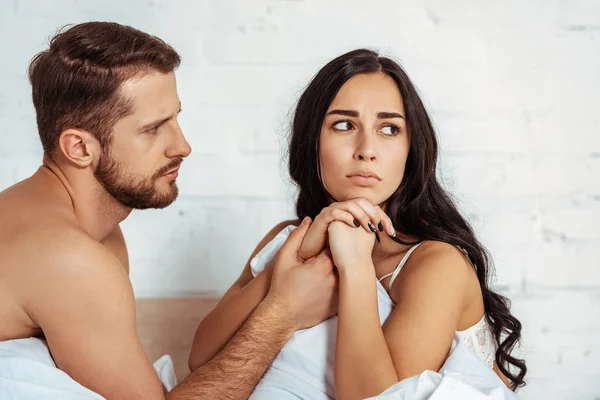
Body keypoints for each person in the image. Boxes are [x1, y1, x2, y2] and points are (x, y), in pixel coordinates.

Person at [0, 21, 337, 400]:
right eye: (152, 129)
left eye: (176, 118)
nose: (183, 145)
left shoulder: (87, 229)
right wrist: (283, 314)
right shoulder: (69, 258)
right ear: (79, 148)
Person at [189, 49, 527, 400]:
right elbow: (201, 360)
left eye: (389, 129)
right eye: (344, 125)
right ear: (312, 142)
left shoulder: (436, 265)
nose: (367, 149)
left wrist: (355, 265)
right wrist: (291, 267)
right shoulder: (288, 237)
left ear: (412, 150)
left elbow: (375, 397)